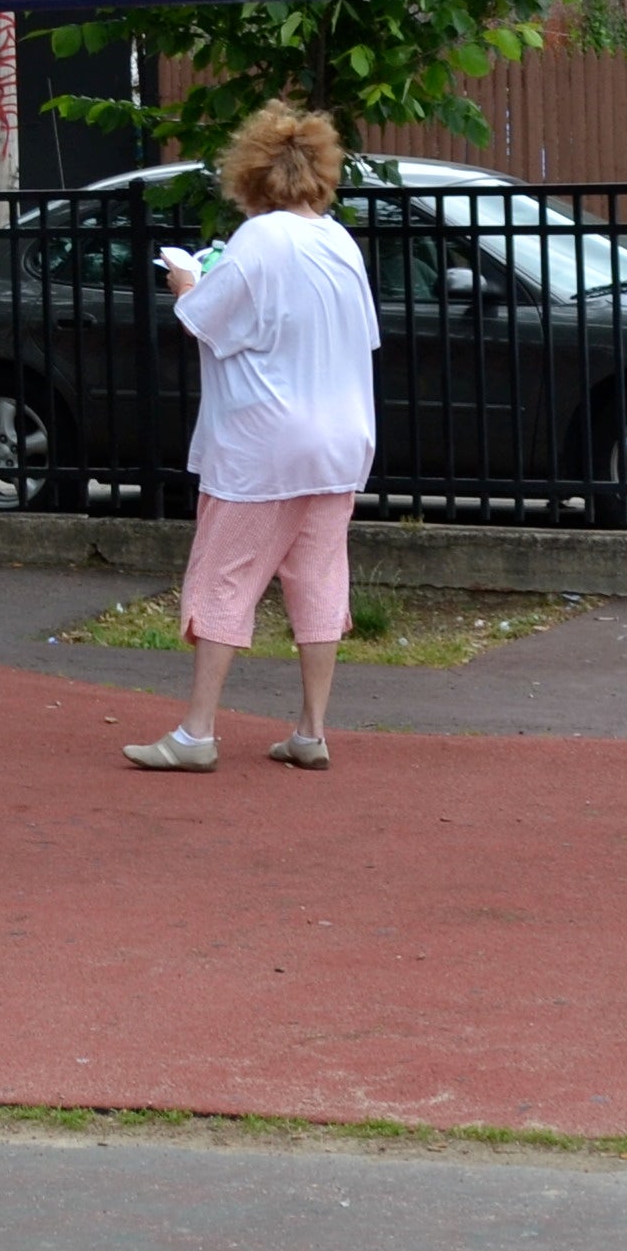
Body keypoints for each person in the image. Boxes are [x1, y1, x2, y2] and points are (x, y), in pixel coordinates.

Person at [123, 97, 381, 773]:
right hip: (343, 441)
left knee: (223, 579)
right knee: (320, 579)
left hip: (265, 444)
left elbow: (204, 316)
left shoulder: (259, 241)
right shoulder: (339, 242)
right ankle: (311, 730)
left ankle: (197, 732)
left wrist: (185, 281)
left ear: (250, 176)